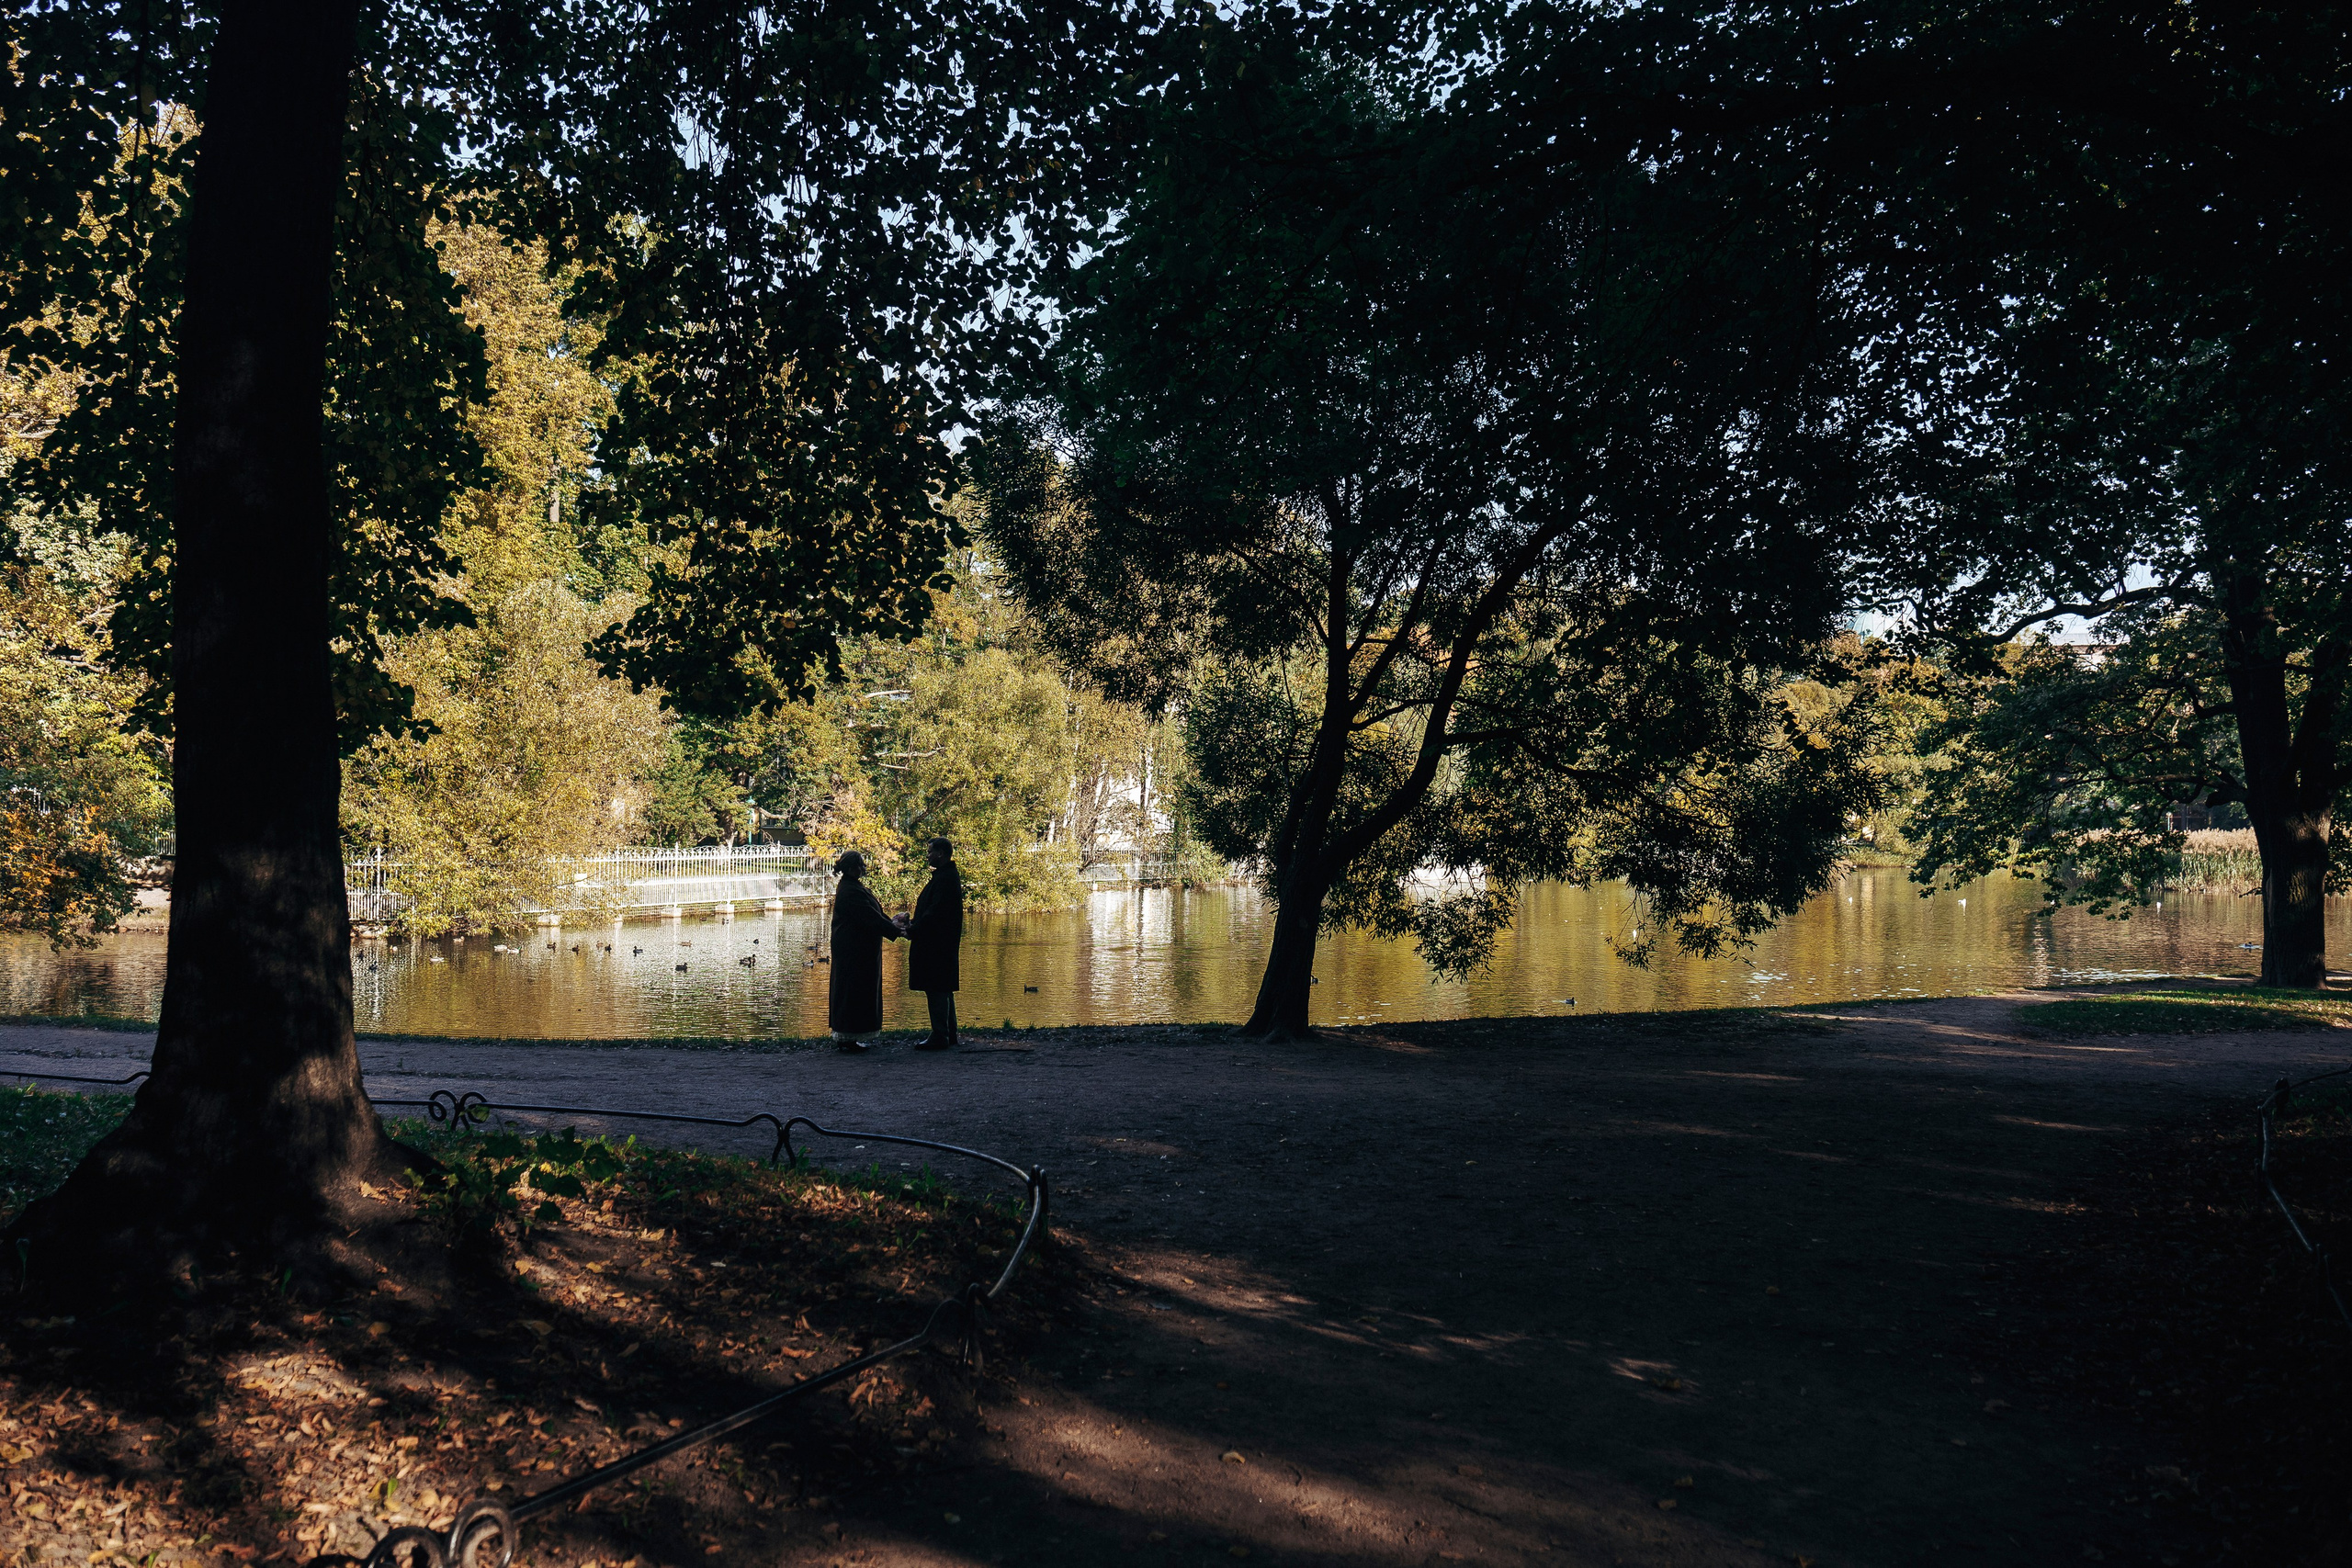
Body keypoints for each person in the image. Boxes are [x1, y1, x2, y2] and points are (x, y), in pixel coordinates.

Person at [826, 850, 900, 1053]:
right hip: (854, 951)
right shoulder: (850, 891)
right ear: (851, 868)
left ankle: (851, 1036)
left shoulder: (853, 887)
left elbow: (875, 913)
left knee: (856, 990)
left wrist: (892, 923)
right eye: (860, 865)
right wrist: (895, 930)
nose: (863, 868)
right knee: (852, 990)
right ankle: (848, 1036)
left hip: (858, 949)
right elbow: (870, 917)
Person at [901, 836, 963, 1050]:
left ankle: (940, 1035)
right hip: (941, 943)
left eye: (930, 851)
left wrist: (913, 930)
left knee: (936, 987)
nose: (927, 855)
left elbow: (934, 913)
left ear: (941, 854)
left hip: (936, 945)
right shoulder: (946, 876)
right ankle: (949, 1033)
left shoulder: (944, 879)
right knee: (943, 988)